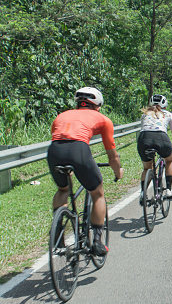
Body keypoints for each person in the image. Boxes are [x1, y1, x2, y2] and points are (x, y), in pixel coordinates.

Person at [47, 87, 124, 256]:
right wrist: (118, 172)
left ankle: (57, 239)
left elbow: (60, 137)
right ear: (98, 105)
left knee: (63, 190)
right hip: (79, 151)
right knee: (97, 193)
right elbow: (112, 155)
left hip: (54, 151)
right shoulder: (103, 119)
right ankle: (97, 241)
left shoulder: (62, 115)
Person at [137, 94, 172, 200]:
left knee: (147, 168)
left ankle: (143, 193)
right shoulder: (168, 114)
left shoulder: (145, 114)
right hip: (161, 138)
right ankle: (169, 189)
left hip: (144, 139)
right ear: (165, 105)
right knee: (170, 161)